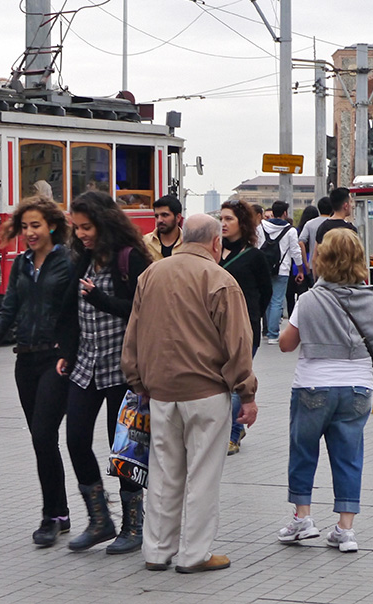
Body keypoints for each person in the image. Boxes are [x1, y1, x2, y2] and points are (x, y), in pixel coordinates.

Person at [121, 214, 258, 573]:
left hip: (160, 394)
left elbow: (132, 335)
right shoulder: (220, 279)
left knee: (165, 473)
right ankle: (194, 554)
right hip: (207, 393)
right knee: (203, 474)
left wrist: (137, 382)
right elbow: (238, 343)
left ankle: (156, 551)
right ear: (216, 243)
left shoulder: (151, 275)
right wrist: (246, 393)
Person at [276, 228, 373, 553]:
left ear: (322, 258)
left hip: (313, 385)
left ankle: (303, 518)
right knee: (348, 458)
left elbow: (286, 344)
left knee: (303, 452)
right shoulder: (371, 299)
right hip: (357, 388)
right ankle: (345, 529)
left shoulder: (309, 299)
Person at [0, 196, 74, 547]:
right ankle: (60, 512)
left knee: (44, 434)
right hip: (25, 360)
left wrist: (71, 349)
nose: (30, 233)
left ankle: (51, 516)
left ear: (52, 227)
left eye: (36, 226)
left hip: (56, 360)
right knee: (41, 440)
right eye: (26, 226)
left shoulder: (68, 261)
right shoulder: (21, 264)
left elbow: (76, 310)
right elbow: (9, 308)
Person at [55, 191, 151, 554]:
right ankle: (100, 520)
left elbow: (140, 309)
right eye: (77, 228)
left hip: (122, 368)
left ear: (104, 222)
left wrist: (101, 300)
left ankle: (133, 526)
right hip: (86, 365)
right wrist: (66, 350)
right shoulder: (83, 258)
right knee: (76, 439)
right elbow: (69, 307)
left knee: (122, 450)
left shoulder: (130, 258)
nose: (81, 234)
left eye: (87, 227)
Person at [220, 200, 272, 455]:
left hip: (245, 329)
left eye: (229, 219)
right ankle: (231, 429)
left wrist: (253, 320)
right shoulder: (213, 254)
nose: (223, 224)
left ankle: (231, 435)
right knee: (220, 384)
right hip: (216, 330)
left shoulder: (255, 256)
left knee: (236, 382)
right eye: (221, 219)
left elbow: (266, 292)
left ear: (242, 223)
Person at [258, 200, 303, 344]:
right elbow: (296, 251)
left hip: (263, 268)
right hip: (282, 269)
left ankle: (265, 331)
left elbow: (255, 244)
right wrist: (300, 269)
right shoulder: (290, 230)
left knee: (266, 299)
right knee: (277, 301)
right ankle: (273, 334)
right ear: (285, 213)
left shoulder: (261, 227)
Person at [312, 187, 358, 276]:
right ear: (345, 205)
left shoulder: (323, 227)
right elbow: (355, 258)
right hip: (346, 278)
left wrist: (316, 281)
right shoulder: (350, 229)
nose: (352, 206)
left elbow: (315, 258)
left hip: (326, 278)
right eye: (350, 202)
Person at [287, 204, 321, 316]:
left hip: (297, 266)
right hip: (313, 263)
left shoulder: (297, 230)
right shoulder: (318, 228)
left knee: (296, 295)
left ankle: (295, 316)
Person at [143, 195, 183, 261]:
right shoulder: (145, 243)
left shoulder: (188, 244)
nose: (159, 220)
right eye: (156, 216)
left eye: (165, 215)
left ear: (178, 217)